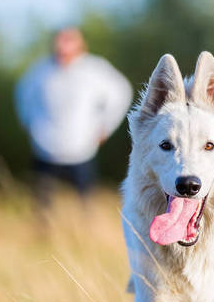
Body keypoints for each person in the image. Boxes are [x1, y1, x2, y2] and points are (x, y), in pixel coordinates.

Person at [15, 27, 132, 208]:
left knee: (85, 202)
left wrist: (105, 128)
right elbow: (23, 96)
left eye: (69, 40)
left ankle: (82, 233)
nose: (63, 46)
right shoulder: (39, 71)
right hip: (44, 147)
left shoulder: (95, 69)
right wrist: (29, 124)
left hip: (81, 147)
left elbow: (122, 93)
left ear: (80, 44)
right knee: (42, 203)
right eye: (60, 40)